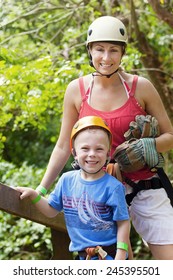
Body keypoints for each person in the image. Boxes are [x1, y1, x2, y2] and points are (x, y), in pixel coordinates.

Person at [35, 16, 173, 259]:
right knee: (116, 265)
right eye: (99, 49)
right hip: (97, 191)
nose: (106, 58)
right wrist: (41, 189)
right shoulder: (76, 90)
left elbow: (169, 136)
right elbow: (62, 146)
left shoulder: (140, 87)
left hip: (144, 184)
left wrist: (145, 146)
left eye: (113, 50)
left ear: (122, 53)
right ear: (90, 50)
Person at [17, 116, 130, 260]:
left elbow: (123, 222)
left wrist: (121, 253)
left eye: (99, 149)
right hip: (83, 257)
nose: (92, 154)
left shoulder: (113, 187)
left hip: (109, 256)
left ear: (108, 153)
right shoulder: (66, 180)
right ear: (75, 153)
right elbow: (51, 211)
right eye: (85, 148)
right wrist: (34, 195)